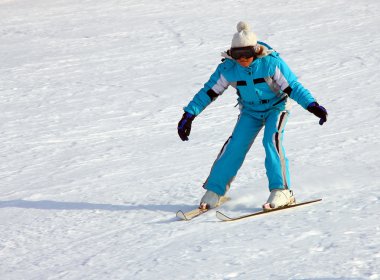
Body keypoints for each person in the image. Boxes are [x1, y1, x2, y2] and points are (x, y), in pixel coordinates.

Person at [177, 21, 327, 210]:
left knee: (271, 140)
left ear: (256, 51)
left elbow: (293, 87)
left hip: (276, 107)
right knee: (235, 146)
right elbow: (208, 92)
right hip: (250, 111)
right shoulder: (228, 69)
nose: (243, 59)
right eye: (237, 55)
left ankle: (282, 191)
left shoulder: (271, 63)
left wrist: (312, 105)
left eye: (247, 54)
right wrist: (188, 115)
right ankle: (215, 190)